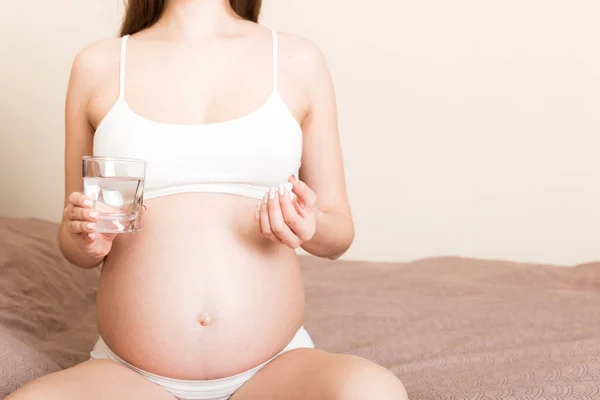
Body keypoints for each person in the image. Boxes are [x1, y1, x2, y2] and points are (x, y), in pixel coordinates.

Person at [8, 0, 408, 399]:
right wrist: (85, 239)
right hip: (130, 378)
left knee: (374, 392)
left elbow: (339, 231)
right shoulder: (99, 65)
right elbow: (75, 241)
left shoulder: (295, 60)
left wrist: (310, 226)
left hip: (273, 371)